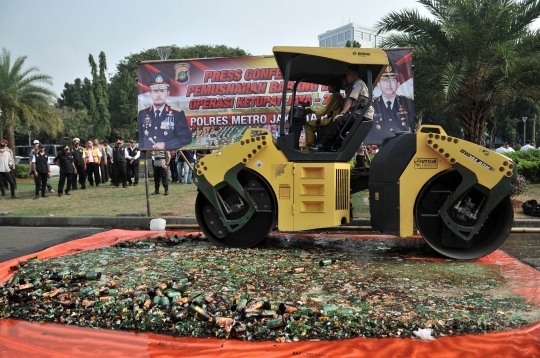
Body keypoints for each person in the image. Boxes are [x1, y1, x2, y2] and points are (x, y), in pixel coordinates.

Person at [310, 64, 374, 152]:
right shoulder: (353, 85)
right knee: (335, 122)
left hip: (362, 114)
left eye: (349, 75)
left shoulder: (358, 83)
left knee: (339, 120)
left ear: (356, 74)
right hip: (357, 113)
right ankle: (327, 145)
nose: (347, 77)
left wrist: (342, 114)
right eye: (346, 75)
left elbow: (351, 100)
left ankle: (322, 145)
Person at [138, 72, 192, 150]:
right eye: (155, 91)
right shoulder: (142, 114)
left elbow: (186, 138)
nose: (159, 94)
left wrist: (165, 145)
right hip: (147, 158)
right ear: (150, 94)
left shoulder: (177, 114)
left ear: (168, 93)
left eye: (162, 91)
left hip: (168, 157)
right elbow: (140, 138)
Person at [364, 64, 415, 144]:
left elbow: (412, 123)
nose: (389, 84)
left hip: (400, 142)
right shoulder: (372, 103)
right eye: (384, 80)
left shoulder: (407, 102)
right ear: (378, 84)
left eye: (392, 80)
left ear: (398, 84)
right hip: (377, 143)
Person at [304, 78, 344, 149]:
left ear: (334, 87)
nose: (328, 87)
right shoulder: (338, 96)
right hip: (333, 120)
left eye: (329, 86)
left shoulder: (335, 96)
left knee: (309, 124)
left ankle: (309, 149)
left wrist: (312, 111)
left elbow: (324, 111)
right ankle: (314, 144)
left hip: (331, 121)